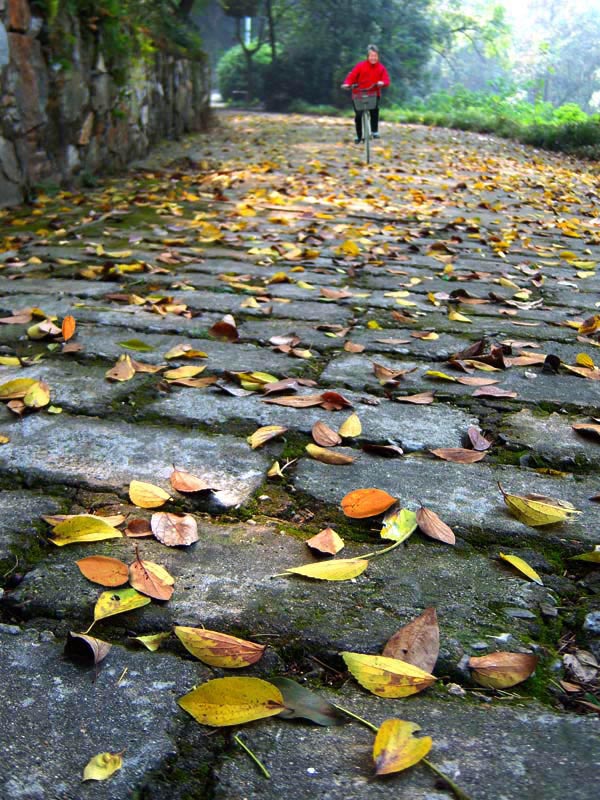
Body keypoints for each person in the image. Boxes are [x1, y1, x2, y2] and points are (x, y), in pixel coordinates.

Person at [341, 44, 390, 144]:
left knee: (374, 110)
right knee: (358, 115)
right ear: (367, 56)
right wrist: (347, 84)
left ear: (378, 57)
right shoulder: (360, 66)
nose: (373, 58)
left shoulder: (381, 68)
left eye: (375, 56)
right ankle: (359, 136)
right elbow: (352, 76)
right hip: (358, 93)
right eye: (371, 56)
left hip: (373, 93)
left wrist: (382, 82)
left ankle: (374, 131)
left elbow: (386, 80)